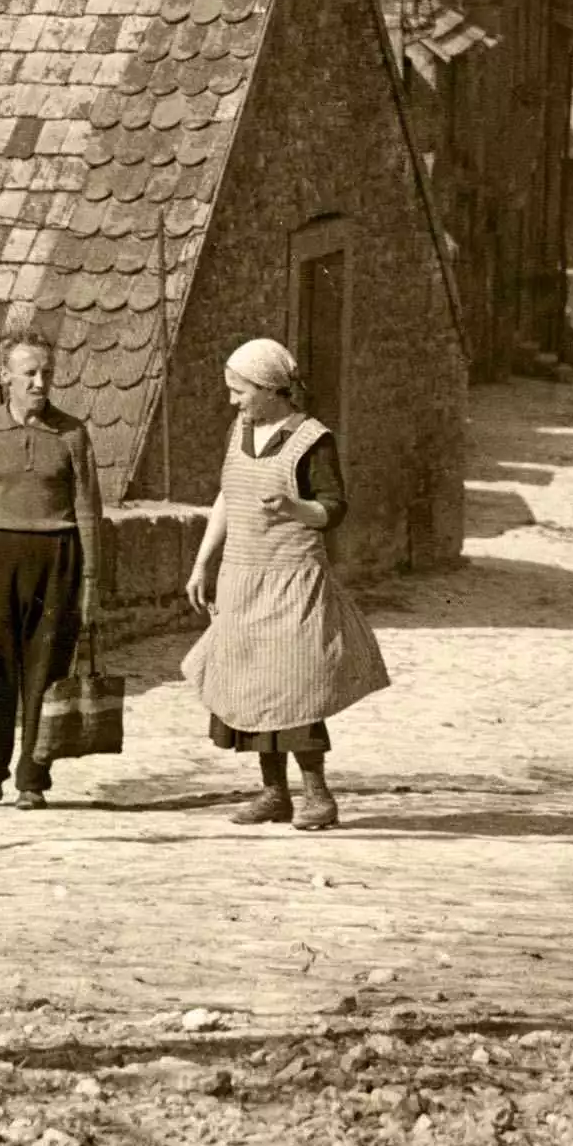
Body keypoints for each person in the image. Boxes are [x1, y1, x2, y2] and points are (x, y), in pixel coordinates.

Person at [182, 339, 392, 832]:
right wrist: (202, 563)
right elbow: (229, 496)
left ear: (271, 389)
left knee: (295, 687)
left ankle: (317, 796)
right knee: (250, 686)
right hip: (241, 577)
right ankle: (273, 794)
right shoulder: (240, 430)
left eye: (240, 391)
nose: (234, 401)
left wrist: (295, 509)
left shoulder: (312, 440)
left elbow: (334, 508)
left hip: (292, 580)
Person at [0, 332, 105, 810]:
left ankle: (32, 779)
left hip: (59, 556)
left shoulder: (72, 433)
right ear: (7, 378)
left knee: (46, 671)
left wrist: (92, 584)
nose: (39, 382)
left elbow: (90, 512)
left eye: (46, 373)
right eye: (29, 373)